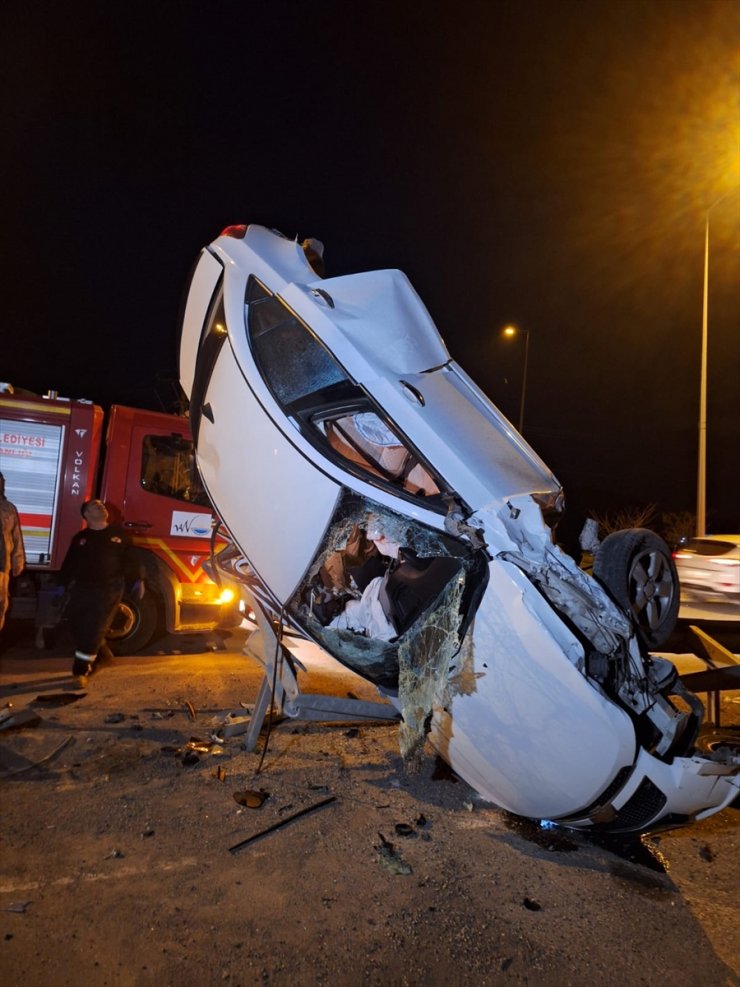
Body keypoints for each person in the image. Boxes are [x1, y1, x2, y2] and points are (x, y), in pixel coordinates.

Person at [60, 499, 144, 686]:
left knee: (94, 627)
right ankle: (104, 654)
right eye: (94, 506)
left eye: (102, 505)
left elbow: (132, 561)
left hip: (109, 589)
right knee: (77, 624)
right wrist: (61, 584)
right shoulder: (81, 538)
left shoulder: (119, 536)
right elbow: (69, 564)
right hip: (83, 588)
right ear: (87, 515)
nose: (101, 506)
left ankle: (80, 671)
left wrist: (137, 580)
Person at [0, 471, 25, 633]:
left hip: (2, 566)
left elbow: (16, 536)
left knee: (2, 603)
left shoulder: (8, 508)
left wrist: (18, 560)